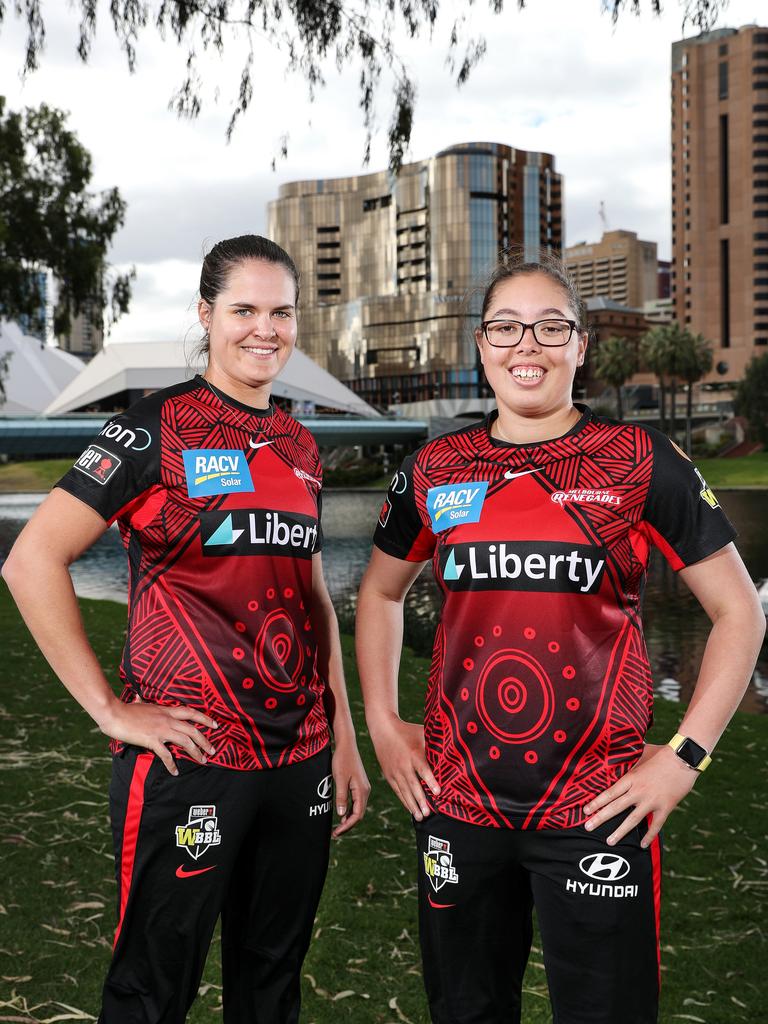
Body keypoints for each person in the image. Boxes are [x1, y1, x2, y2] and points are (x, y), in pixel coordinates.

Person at [355, 251, 765, 1024]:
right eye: (506, 327)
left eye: (550, 327)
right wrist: (381, 722)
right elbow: (378, 591)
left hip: (597, 806)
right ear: (481, 346)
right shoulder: (436, 469)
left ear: (581, 347)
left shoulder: (639, 463)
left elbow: (741, 613)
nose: (527, 346)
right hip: (458, 802)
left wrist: (684, 758)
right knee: (466, 1009)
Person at [1, 234, 370, 1023]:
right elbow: (31, 561)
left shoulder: (300, 445)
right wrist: (109, 709)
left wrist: (343, 734)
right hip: (192, 754)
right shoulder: (151, 428)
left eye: (281, 312)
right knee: (151, 988)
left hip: (299, 755)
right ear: (206, 315)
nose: (264, 329)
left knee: (271, 985)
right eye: (243, 310)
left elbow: (310, 598)